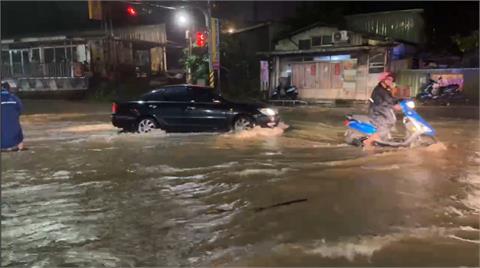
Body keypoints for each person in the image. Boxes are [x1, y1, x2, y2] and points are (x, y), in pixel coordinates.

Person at [363, 72, 401, 149]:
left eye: (392, 80)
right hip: (376, 113)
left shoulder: (385, 90)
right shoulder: (378, 90)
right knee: (385, 126)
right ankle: (368, 142)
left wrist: (401, 101)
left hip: (382, 112)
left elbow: (391, 100)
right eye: (389, 79)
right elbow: (380, 103)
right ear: (383, 80)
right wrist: (393, 106)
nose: (391, 81)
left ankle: (383, 142)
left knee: (390, 123)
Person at [1, 81, 25, 151]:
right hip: (14, 143)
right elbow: (20, 111)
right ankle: (19, 147)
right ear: (9, 89)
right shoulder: (15, 99)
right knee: (17, 128)